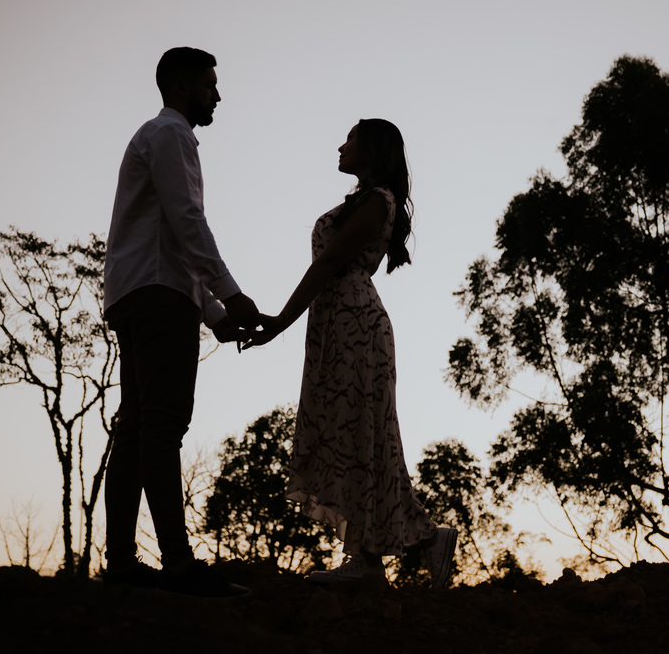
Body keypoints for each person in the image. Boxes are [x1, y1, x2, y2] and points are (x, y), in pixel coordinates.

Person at [244, 118, 457, 587]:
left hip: (356, 324)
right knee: (357, 435)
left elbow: (329, 263)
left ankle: (375, 557)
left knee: (363, 434)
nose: (340, 146)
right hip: (339, 324)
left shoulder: (378, 201)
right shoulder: (366, 201)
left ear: (372, 148)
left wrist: (279, 322)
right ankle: (396, 550)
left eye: (351, 138)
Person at [102, 47, 256, 598]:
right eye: (210, 84)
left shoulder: (160, 136)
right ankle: (179, 566)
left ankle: (121, 564)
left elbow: (170, 232)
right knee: (162, 424)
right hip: (157, 294)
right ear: (183, 84)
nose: (218, 95)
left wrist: (212, 313)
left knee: (137, 427)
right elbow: (186, 221)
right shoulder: (169, 135)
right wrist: (231, 296)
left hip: (143, 290)